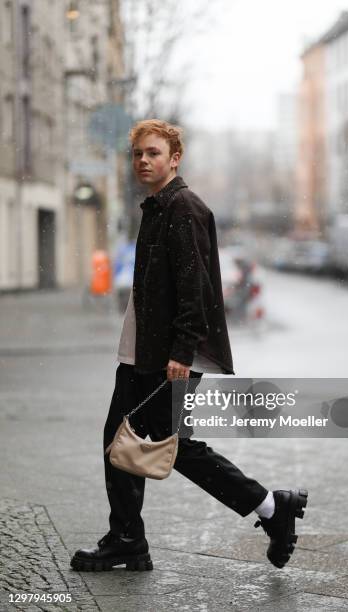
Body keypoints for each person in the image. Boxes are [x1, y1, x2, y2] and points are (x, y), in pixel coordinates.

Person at [70, 119, 308, 573]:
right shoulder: (158, 207)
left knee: (171, 444)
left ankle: (271, 509)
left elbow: (196, 288)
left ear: (174, 158)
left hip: (168, 354)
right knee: (119, 438)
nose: (144, 160)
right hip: (143, 350)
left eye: (153, 153)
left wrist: (181, 351)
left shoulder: (185, 208)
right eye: (138, 153)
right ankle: (127, 537)